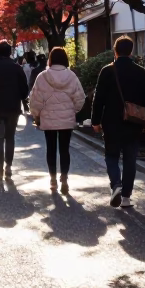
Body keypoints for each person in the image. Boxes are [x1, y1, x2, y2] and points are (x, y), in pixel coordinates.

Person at [92, 36, 145, 208]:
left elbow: (99, 99)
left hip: (111, 122)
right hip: (133, 123)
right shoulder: (141, 72)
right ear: (131, 51)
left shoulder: (107, 71)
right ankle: (126, 197)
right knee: (130, 159)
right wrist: (143, 117)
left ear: (115, 51)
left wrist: (95, 121)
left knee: (111, 156)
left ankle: (116, 184)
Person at [29, 47, 86, 193]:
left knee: (51, 149)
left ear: (51, 59)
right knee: (64, 149)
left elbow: (35, 100)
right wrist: (73, 110)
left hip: (48, 119)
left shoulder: (42, 77)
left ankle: (53, 180)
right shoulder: (72, 76)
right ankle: (65, 179)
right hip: (66, 120)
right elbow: (80, 98)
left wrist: (36, 114)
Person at [0, 40, 30, 178]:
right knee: (10, 137)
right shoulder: (17, 68)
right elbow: (24, 90)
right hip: (13, 108)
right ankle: (8, 165)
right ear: (10, 52)